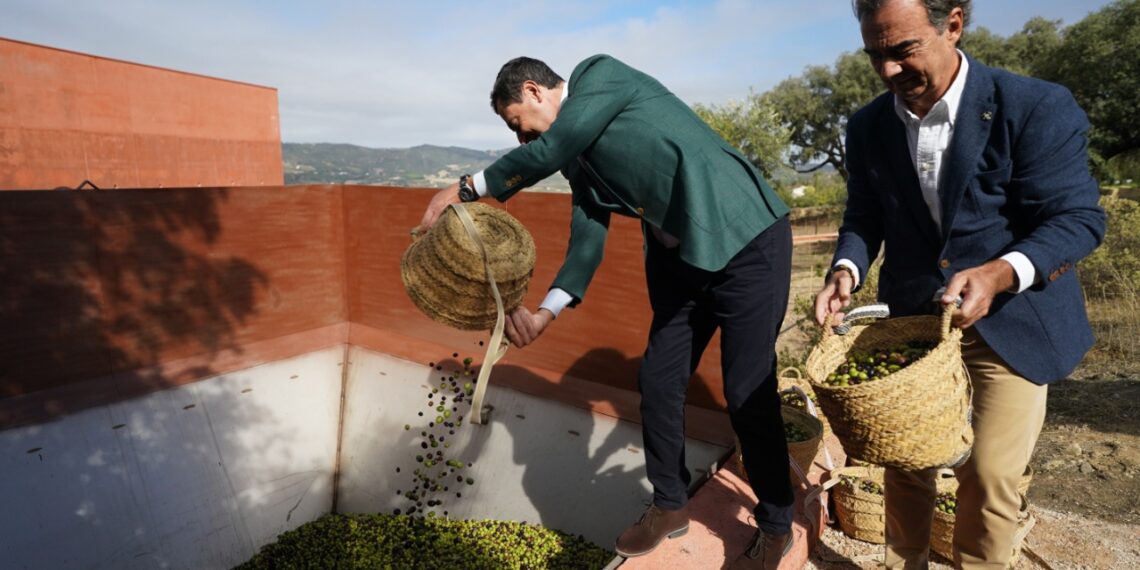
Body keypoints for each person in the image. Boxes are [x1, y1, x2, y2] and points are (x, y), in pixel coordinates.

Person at [419, 54, 795, 568]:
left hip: (745, 240)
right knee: (660, 381)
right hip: (684, 264)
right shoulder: (577, 159)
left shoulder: (600, 76)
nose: (521, 141)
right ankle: (670, 504)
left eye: (517, 125)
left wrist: (466, 189)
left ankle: (776, 524)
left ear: (534, 91)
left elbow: (548, 148)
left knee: (746, 391)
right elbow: (587, 243)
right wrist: (545, 314)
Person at [814, 1, 1106, 568]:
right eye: (876, 55)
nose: (888, 72)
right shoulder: (868, 125)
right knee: (903, 461)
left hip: (1010, 321)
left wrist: (1000, 273)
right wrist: (846, 267)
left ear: (952, 25)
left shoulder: (1033, 106)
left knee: (991, 474)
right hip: (915, 327)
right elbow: (864, 216)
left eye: (903, 51)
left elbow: (1077, 219)